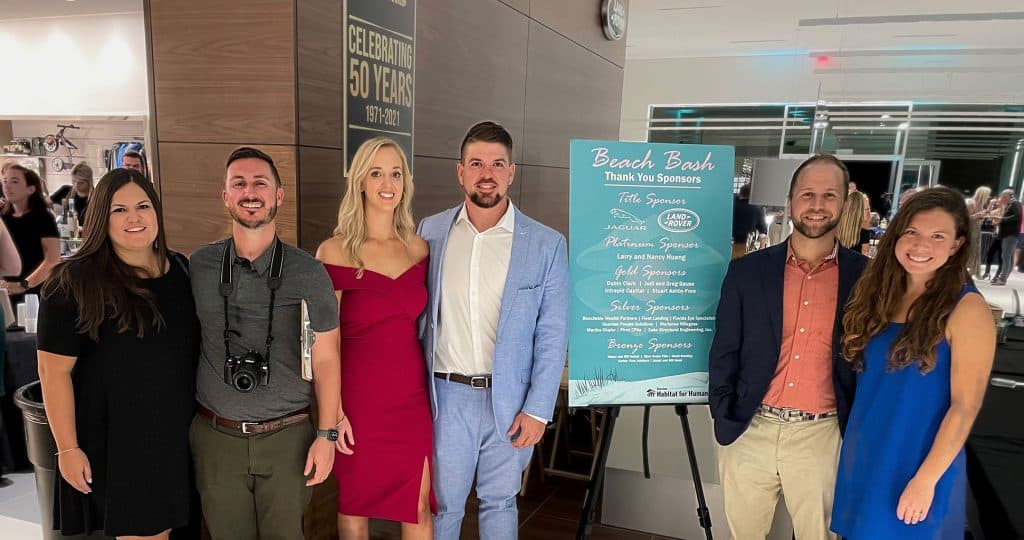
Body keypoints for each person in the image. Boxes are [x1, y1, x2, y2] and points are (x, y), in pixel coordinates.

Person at [418, 121, 569, 540]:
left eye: (497, 163)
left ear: (511, 172)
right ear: (460, 171)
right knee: (443, 505)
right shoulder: (430, 233)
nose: (488, 172)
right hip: (445, 398)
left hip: (513, 402)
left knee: (500, 502)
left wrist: (538, 409)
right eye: (477, 163)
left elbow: (553, 333)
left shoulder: (546, 244)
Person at [709, 153, 869, 540]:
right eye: (807, 194)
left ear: (844, 203)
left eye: (829, 195)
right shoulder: (748, 270)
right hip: (751, 428)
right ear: (791, 199)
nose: (817, 206)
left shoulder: (866, 278)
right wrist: (723, 410)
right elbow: (725, 348)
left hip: (823, 435)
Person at [36, 168, 200, 538]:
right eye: (118, 210)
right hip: (119, 441)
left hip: (179, 436)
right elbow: (52, 372)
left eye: (143, 206)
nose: (134, 218)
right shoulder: (73, 282)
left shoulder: (182, 271)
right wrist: (67, 448)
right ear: (99, 219)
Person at [189, 147, 341, 540]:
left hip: (288, 437)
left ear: (279, 195)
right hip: (216, 437)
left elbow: (326, 359)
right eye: (238, 183)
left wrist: (327, 436)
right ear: (225, 197)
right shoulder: (199, 267)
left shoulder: (309, 272)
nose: (249, 192)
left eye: (260, 183)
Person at [832, 187, 995, 539]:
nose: (921, 246)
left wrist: (925, 480)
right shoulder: (877, 296)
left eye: (938, 236)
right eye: (912, 232)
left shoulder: (967, 309)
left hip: (918, 465)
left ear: (957, 245)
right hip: (865, 459)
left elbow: (965, 407)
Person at [316, 137, 435, 539]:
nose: (388, 182)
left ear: (406, 183)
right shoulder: (332, 252)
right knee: (354, 507)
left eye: (396, 173)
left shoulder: (420, 248)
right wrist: (334, 412)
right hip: (358, 401)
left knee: (417, 507)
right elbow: (322, 344)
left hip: (411, 398)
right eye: (377, 172)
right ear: (361, 182)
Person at [0, 164, 60, 301]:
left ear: (30, 189)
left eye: (14, 182)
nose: (7, 186)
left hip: (36, 292)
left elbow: (53, 259)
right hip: (6, 293)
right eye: (5, 181)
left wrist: (24, 284)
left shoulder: (44, 219)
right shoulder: (3, 218)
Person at [991, 189, 1020, 286]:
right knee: (1008, 257)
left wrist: (1001, 219)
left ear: (1009, 196)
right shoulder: (1012, 204)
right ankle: (1004, 277)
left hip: (1010, 235)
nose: (1001, 198)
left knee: (1006, 257)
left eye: (1003, 196)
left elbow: (1017, 216)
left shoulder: (1015, 204)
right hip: (1009, 235)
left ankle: (1002, 279)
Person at [732, 182, 767, 257]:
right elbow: (762, 230)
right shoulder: (757, 208)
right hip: (743, 242)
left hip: (724, 239)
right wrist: (762, 247)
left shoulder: (731, 202)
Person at [836, 191, 871, 255]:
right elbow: (865, 253)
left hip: (836, 262)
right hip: (855, 263)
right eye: (866, 209)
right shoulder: (864, 226)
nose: (868, 212)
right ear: (860, 210)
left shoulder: (836, 223)